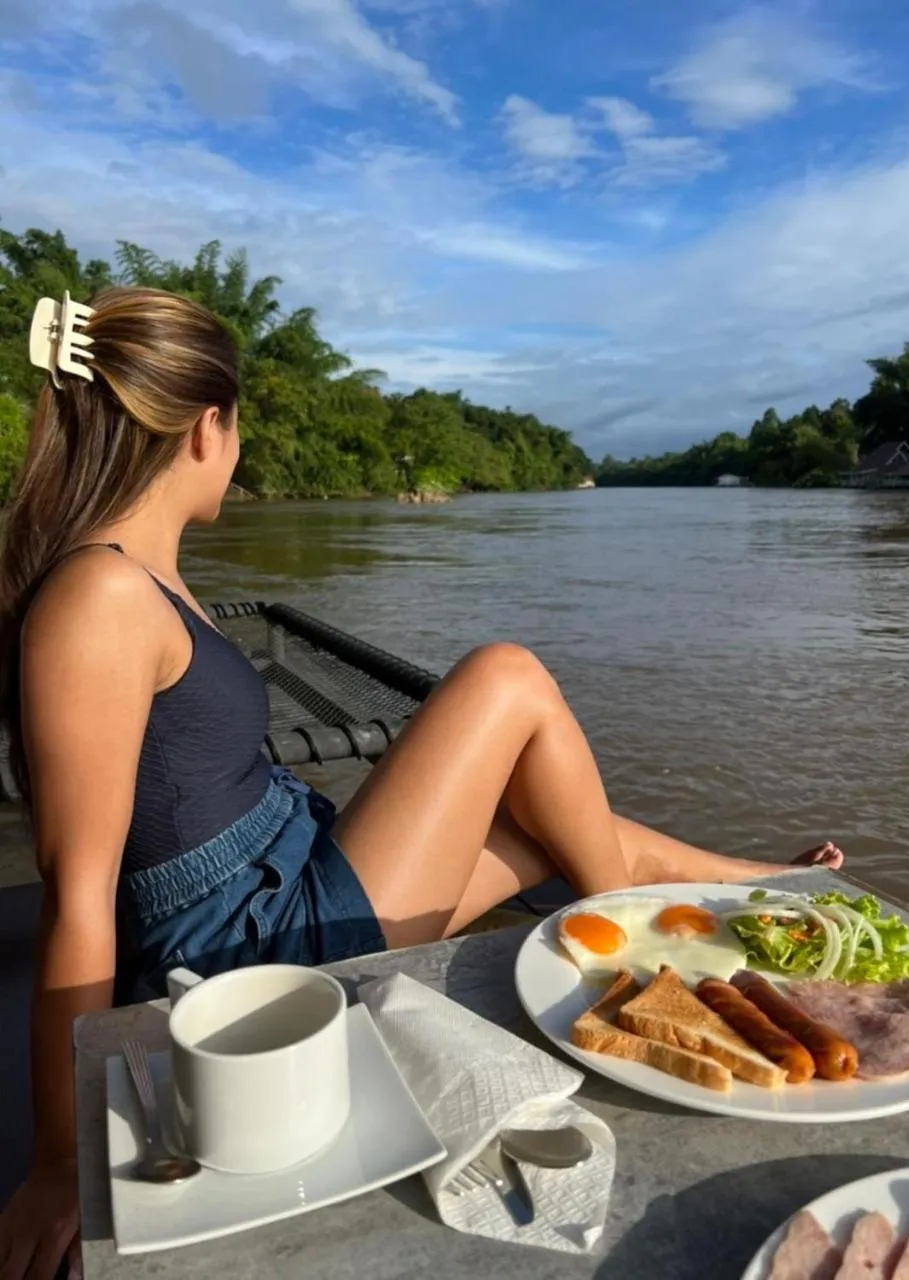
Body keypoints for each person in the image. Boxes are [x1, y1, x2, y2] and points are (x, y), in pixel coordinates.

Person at [0, 286, 843, 1279]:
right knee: (507, 676)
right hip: (246, 945)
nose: (238, 451)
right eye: (239, 428)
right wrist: (60, 1160)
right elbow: (81, 893)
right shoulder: (99, 595)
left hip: (293, 867)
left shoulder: (147, 579)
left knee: (552, 821)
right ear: (204, 428)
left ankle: (757, 892)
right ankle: (652, 971)